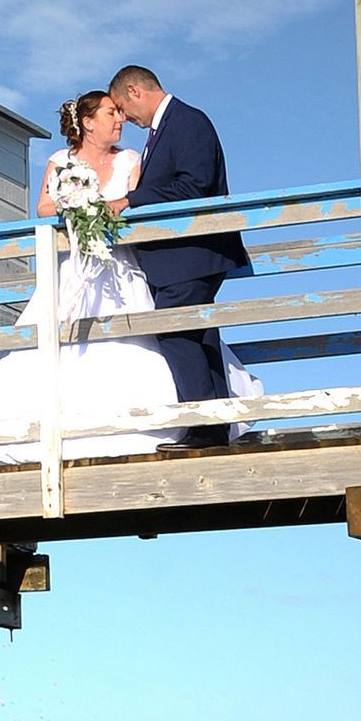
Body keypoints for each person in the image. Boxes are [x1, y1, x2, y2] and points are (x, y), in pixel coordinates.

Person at [0, 90, 184, 462]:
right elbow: (44, 207)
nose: (120, 119)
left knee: (129, 343)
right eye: (111, 113)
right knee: (57, 344)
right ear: (88, 122)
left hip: (118, 267)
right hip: (72, 267)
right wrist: (76, 205)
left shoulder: (129, 160)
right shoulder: (61, 161)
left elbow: (134, 204)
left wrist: (105, 211)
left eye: (120, 113)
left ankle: (137, 428)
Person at [106, 64, 253, 446]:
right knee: (198, 334)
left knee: (173, 331)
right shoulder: (164, 129)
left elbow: (195, 184)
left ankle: (204, 425)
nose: (125, 117)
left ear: (135, 90)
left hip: (192, 253)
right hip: (183, 258)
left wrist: (132, 200)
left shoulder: (187, 121)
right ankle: (215, 426)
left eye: (123, 107)